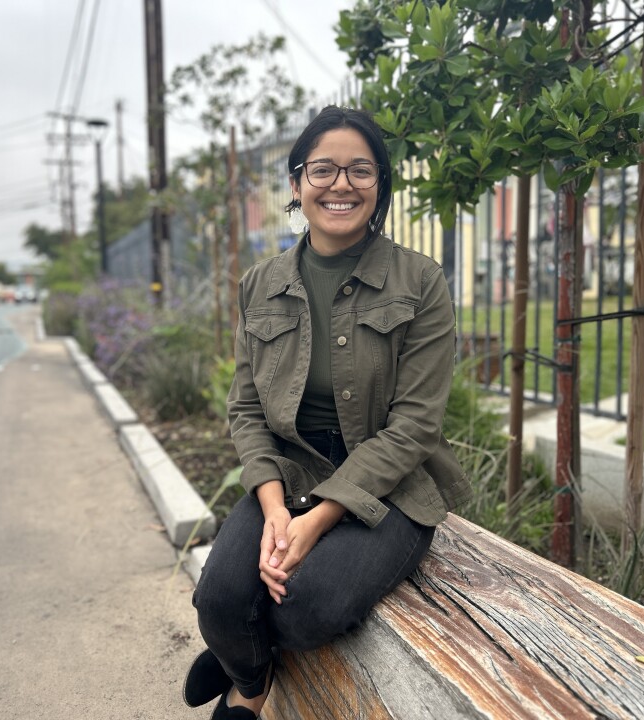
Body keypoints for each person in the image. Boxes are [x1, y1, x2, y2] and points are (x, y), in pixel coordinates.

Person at [183, 105, 472, 720]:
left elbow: (416, 424)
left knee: (306, 607)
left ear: (380, 186)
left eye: (360, 171)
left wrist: (315, 521)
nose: (341, 184)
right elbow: (246, 406)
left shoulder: (420, 281)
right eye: (322, 170)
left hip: (389, 481)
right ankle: (248, 675)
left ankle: (240, 669)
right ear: (295, 184)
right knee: (219, 600)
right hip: (291, 470)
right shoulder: (260, 283)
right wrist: (272, 509)